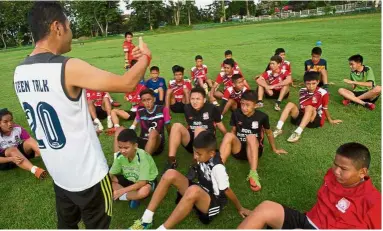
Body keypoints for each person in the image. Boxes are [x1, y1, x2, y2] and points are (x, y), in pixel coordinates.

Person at [13, 2, 151, 229]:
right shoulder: (67, 67)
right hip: (90, 177)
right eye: (69, 25)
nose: (71, 32)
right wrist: (145, 58)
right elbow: (127, 83)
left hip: (60, 176)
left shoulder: (19, 72)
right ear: (57, 27)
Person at [237, 142, 381, 229]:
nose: (336, 171)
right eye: (335, 165)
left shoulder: (374, 201)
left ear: (362, 172)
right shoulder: (331, 175)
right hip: (308, 221)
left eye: (343, 169)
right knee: (266, 207)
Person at [129, 131, 251, 229]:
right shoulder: (204, 156)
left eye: (199, 154)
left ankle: (163, 229)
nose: (195, 156)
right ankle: (146, 219)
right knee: (170, 173)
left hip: (213, 202)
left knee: (193, 189)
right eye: (194, 152)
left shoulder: (218, 168)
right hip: (200, 189)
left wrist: (240, 207)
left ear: (212, 153)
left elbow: (227, 190)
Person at [219, 90, 287, 191]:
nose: (244, 108)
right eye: (242, 104)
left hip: (254, 150)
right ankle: (218, 169)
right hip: (238, 150)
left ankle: (253, 174)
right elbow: (233, 131)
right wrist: (229, 143)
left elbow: (269, 133)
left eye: (247, 105)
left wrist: (274, 149)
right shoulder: (236, 113)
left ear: (255, 105)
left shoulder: (262, 116)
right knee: (229, 135)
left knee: (250, 136)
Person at [164, 87, 227, 171]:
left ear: (204, 100)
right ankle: (171, 160)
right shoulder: (187, 108)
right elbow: (189, 124)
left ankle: (196, 163)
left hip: (206, 144)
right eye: (192, 98)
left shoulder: (212, 108)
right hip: (192, 143)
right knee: (176, 125)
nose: (194, 101)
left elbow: (219, 123)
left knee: (198, 129)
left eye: (198, 99)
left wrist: (226, 135)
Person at [272, 72, 342, 143]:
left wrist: (330, 120)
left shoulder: (323, 92)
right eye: (308, 83)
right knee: (290, 104)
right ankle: (278, 128)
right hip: (301, 117)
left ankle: (297, 133)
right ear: (305, 83)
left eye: (313, 83)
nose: (311, 86)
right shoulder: (302, 90)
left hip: (314, 120)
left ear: (318, 82)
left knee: (309, 107)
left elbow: (325, 108)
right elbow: (302, 105)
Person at [109, 128, 158, 208]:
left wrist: (122, 191)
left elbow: (142, 182)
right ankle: (133, 196)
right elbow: (111, 174)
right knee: (109, 180)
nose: (122, 151)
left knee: (144, 191)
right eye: (120, 147)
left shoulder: (142, 156)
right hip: (130, 178)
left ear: (135, 146)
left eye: (126, 148)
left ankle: (124, 196)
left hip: (146, 181)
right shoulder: (120, 156)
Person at [0, 108, 47, 178]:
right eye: (5, 122)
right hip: (5, 162)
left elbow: (29, 141)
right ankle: (35, 170)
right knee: (12, 149)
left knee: (29, 141)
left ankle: (50, 159)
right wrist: (12, 159)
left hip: (19, 155)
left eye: (11, 120)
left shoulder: (17, 128)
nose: (10, 124)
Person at [129, 89, 171, 155]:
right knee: (121, 130)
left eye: (149, 99)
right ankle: (118, 161)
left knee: (153, 132)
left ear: (154, 99)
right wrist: (128, 132)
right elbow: (134, 124)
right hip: (143, 140)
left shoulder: (163, 109)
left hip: (157, 143)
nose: (147, 102)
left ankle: (144, 161)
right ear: (141, 102)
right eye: (144, 100)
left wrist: (170, 139)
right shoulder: (140, 111)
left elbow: (168, 126)